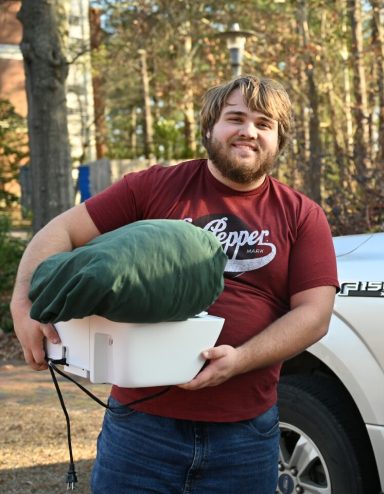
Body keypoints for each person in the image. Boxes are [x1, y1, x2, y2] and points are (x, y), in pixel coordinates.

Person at [10, 75, 338, 493]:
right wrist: (24, 306)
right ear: (209, 128)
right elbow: (60, 232)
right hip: (141, 430)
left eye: (264, 123)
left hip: (244, 436)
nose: (248, 131)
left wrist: (239, 358)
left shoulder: (301, 215)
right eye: (235, 117)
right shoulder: (153, 187)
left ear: (279, 139)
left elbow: (315, 314)